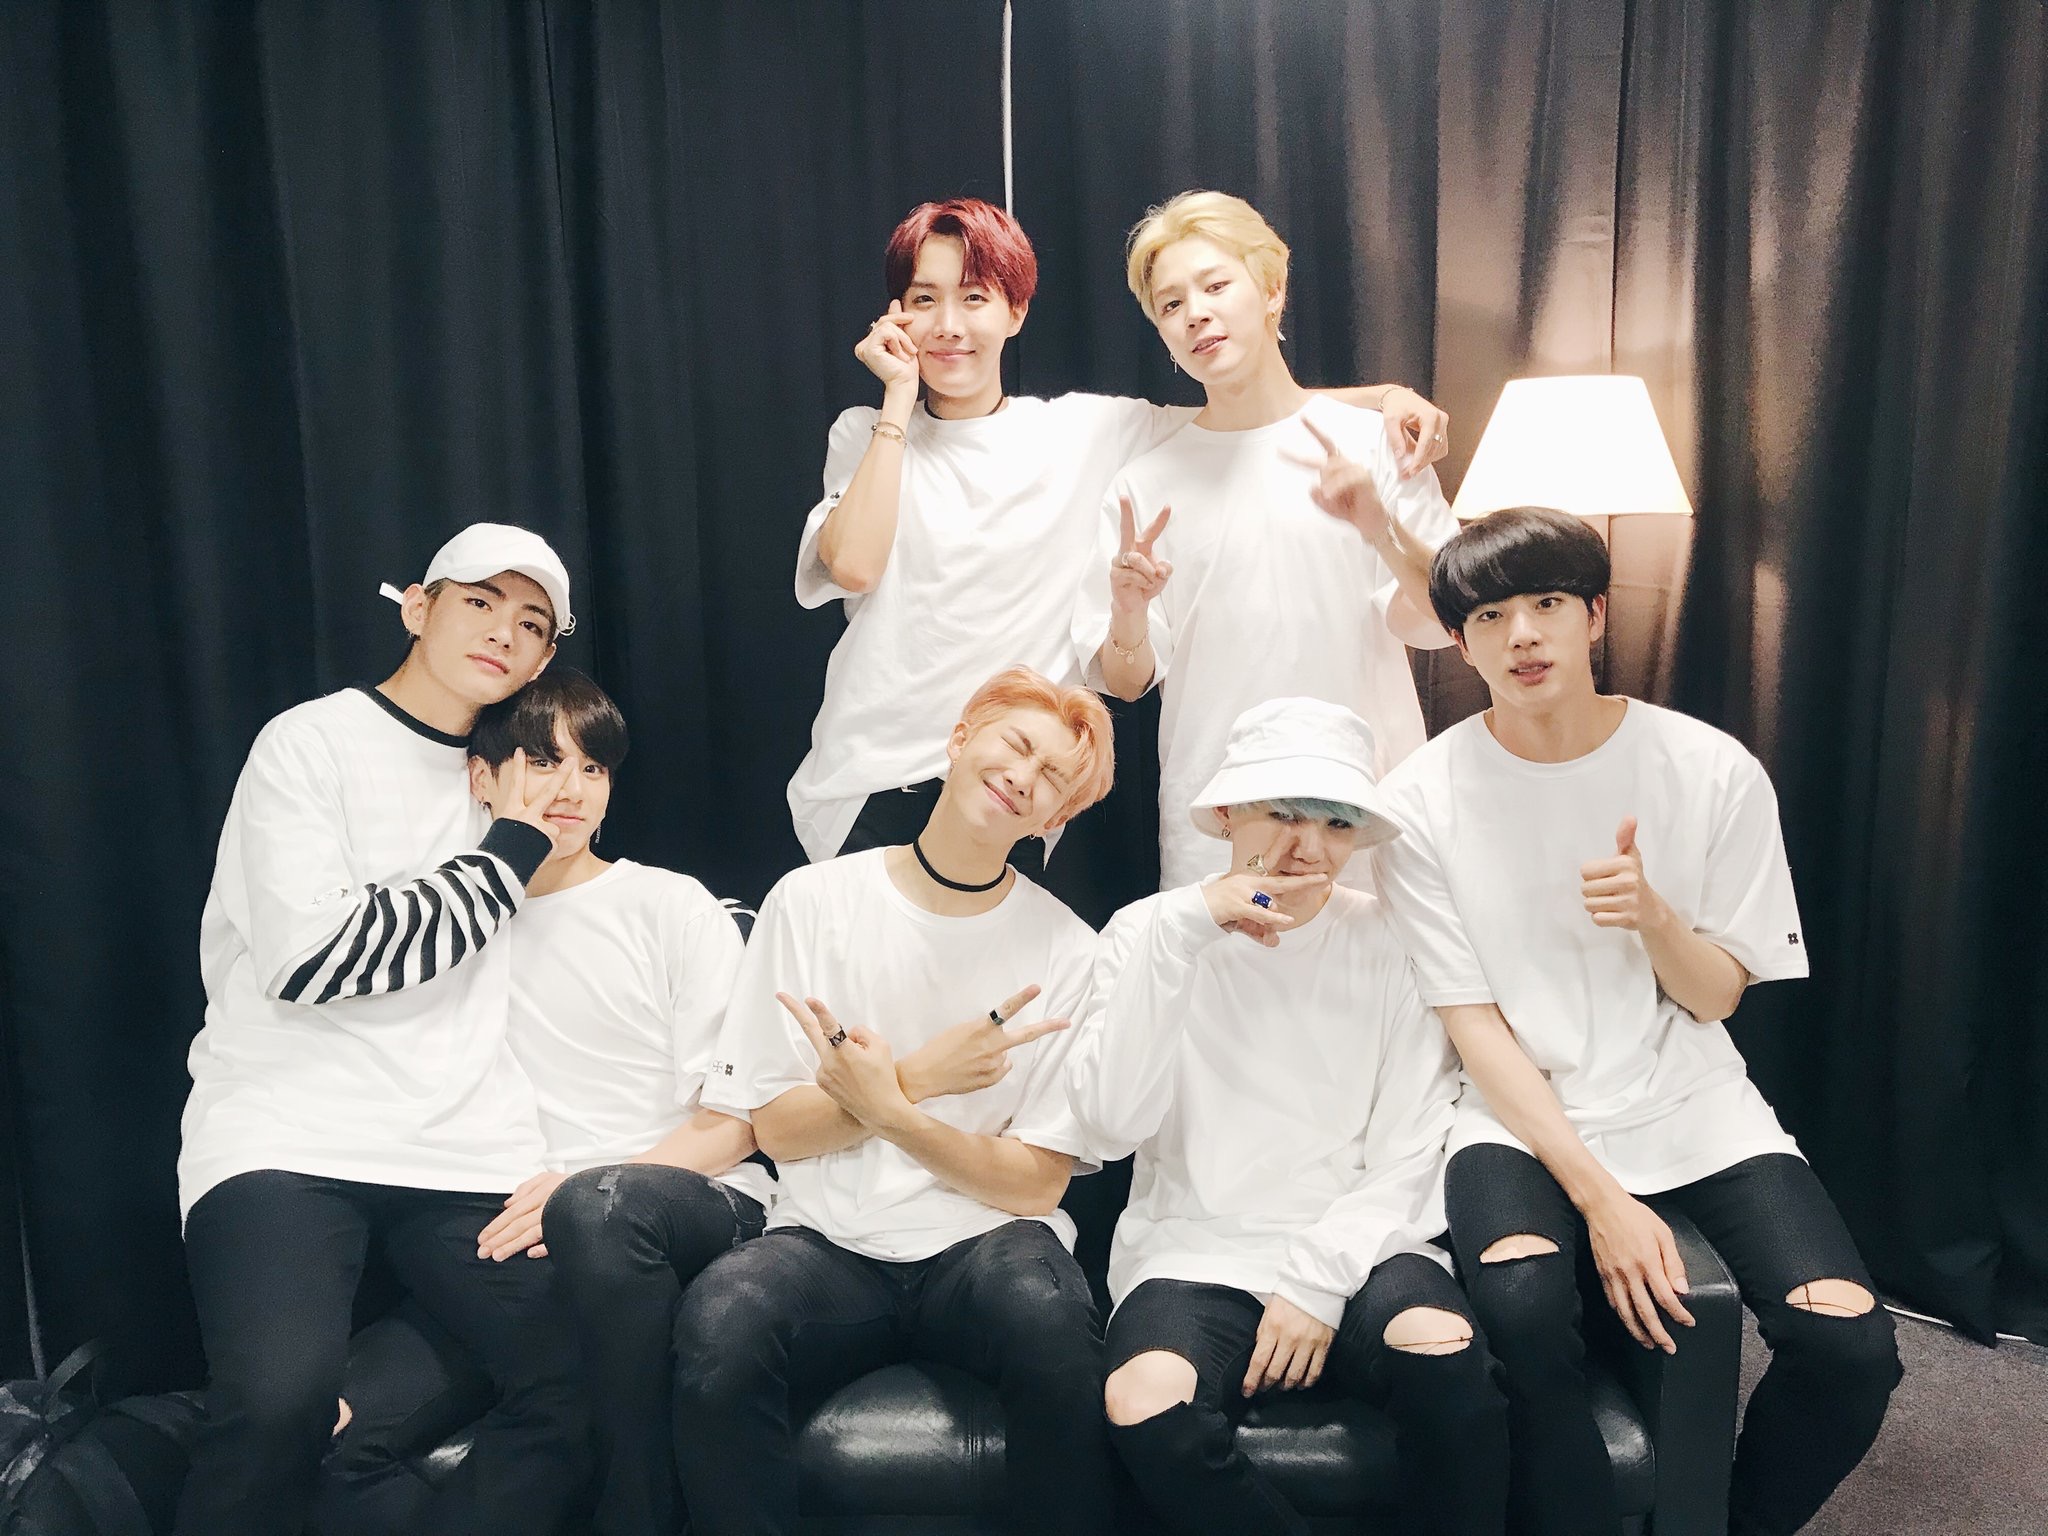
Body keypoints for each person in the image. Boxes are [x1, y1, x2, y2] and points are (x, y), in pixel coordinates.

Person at [1370, 508, 1902, 1536]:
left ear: (1596, 615)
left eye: (1547, 603)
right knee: (1522, 1312)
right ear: (1461, 643)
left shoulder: (1708, 768)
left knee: (1848, 1348)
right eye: (1489, 617)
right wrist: (1601, 1200)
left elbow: (1715, 997)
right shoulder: (1418, 800)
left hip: (1686, 1097)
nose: (1522, 634)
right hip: (1512, 1111)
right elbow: (1473, 1028)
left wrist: (1654, 917)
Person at [790, 195, 1450, 874]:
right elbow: (854, 567)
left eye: (975, 297)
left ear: (1016, 312)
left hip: (1017, 791)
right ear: (895, 314)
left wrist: (1385, 399)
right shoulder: (865, 435)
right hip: (871, 778)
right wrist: (898, 398)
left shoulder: (1086, 434)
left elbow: (1242, 411)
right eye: (924, 300)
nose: (949, 325)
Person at [174, 524, 590, 1536]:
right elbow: (314, 961)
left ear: (543, 660)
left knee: (595, 1376)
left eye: (531, 624)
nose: (503, 631)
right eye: (479, 601)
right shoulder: (311, 743)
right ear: (418, 607)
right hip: (285, 1130)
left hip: (464, 1145)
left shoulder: (517, 776)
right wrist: (509, 850)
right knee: (278, 1403)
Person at [673, 667, 1118, 1536]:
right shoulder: (811, 901)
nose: (1024, 777)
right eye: (1017, 745)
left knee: (1055, 1329)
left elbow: (1035, 1184)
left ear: (1055, 817)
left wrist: (891, 1110)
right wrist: (922, 1076)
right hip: (828, 1239)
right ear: (960, 739)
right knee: (720, 1322)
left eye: (1053, 779)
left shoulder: (1072, 952)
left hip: (986, 1242)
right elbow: (779, 1132)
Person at [1068, 697, 1508, 1536]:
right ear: (1228, 814)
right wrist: (1184, 934)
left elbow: (1414, 1145)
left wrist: (1315, 1278)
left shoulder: (1390, 939)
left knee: (1445, 1353)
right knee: (1142, 1401)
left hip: (1362, 1245)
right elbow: (1108, 1125)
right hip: (1194, 1247)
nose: (1307, 847)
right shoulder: (1147, 931)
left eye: (1336, 823)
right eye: (1283, 813)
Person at [1091, 190, 1460, 889]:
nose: (1195, 313)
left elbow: (1448, 622)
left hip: (1368, 804)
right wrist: (1129, 610)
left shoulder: (1373, 444)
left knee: (1372, 957)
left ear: (1271, 290)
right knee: (1237, 955)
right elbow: (1127, 680)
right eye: (1170, 304)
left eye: (1216, 286)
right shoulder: (1144, 483)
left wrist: (1380, 530)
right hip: (1220, 819)